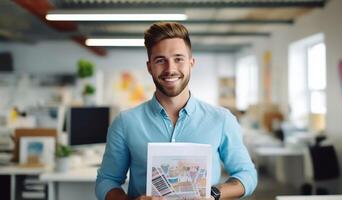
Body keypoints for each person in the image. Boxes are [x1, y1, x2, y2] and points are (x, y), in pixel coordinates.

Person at [95, 22, 257, 200]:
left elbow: (247, 174)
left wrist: (213, 194)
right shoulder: (125, 122)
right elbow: (107, 180)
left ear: (191, 63)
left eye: (178, 59)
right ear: (149, 67)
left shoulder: (222, 119)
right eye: (160, 60)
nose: (170, 69)